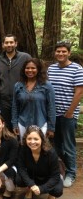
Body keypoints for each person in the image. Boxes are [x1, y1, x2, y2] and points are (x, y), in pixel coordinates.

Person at [48, 41, 83, 187]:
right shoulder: (51, 69)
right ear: (55, 53)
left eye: (64, 51)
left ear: (68, 53)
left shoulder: (77, 69)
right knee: (56, 145)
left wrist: (69, 112)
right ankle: (60, 170)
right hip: (53, 115)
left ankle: (71, 173)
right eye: (58, 51)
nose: (61, 54)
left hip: (68, 115)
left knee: (68, 145)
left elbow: (79, 91)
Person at [12, 58, 56, 140]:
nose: (30, 70)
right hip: (22, 123)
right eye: (27, 68)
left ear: (38, 69)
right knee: (25, 147)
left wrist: (51, 127)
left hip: (41, 122)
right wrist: (14, 124)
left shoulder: (46, 86)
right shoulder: (18, 85)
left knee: (40, 148)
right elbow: (15, 106)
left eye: (33, 68)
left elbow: (51, 107)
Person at [0, 34, 31, 130]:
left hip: (22, 97)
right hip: (4, 100)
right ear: (3, 45)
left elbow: (33, 74)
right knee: (7, 126)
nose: (9, 44)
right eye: (6, 42)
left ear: (16, 44)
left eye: (11, 42)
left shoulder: (25, 57)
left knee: (23, 125)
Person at [16, 125, 63, 199]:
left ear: (42, 139)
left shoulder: (51, 153)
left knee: (57, 190)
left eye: (36, 139)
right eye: (29, 139)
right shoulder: (23, 149)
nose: (32, 142)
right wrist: (31, 184)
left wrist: (41, 189)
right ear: (26, 139)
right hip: (33, 176)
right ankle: (30, 189)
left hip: (48, 177)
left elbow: (55, 176)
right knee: (19, 180)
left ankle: (51, 195)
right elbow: (21, 168)